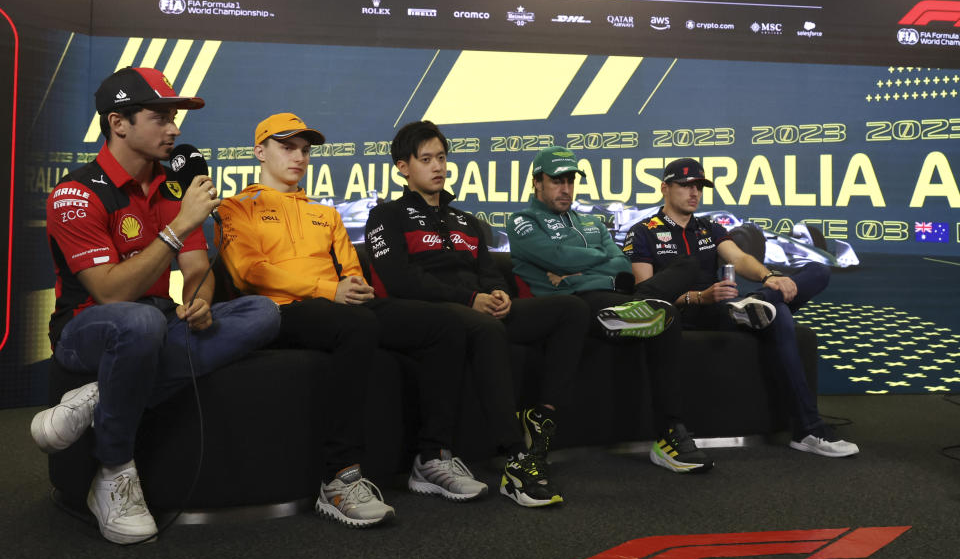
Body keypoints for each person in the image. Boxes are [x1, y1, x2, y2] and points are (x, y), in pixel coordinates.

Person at [31, 67, 281, 545]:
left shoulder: (170, 187)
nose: (174, 129)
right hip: (86, 328)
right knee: (140, 318)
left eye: (175, 117)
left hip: (154, 323)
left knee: (262, 313)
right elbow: (109, 293)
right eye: (160, 117)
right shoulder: (75, 193)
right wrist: (179, 226)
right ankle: (113, 471)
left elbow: (194, 272)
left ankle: (98, 398)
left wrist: (200, 302)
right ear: (118, 123)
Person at [217, 113, 486, 528]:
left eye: (305, 150)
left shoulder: (325, 214)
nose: (299, 157)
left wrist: (353, 287)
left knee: (442, 324)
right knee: (356, 325)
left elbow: (350, 271)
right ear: (259, 152)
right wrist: (331, 291)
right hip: (278, 311)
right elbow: (248, 272)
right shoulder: (237, 207)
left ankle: (432, 457)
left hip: (338, 307)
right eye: (287, 147)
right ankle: (339, 478)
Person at [365, 121, 591, 507]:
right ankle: (515, 459)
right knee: (484, 326)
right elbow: (402, 280)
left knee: (571, 309)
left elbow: (488, 272)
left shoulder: (468, 222)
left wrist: (498, 293)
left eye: (441, 157)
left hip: (477, 308)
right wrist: (471, 299)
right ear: (403, 167)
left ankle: (542, 423)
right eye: (425, 159)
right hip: (429, 314)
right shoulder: (386, 216)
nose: (437, 166)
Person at [623, 157, 859, 457]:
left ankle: (759, 304)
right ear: (665, 188)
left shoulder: (708, 228)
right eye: (685, 186)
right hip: (681, 315)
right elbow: (646, 295)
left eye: (699, 186)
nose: (694, 193)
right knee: (779, 315)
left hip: (720, 311)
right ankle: (808, 429)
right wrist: (699, 297)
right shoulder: (642, 231)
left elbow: (740, 258)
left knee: (817, 273)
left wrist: (770, 277)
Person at [507, 146, 713, 474]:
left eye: (570, 181)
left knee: (676, 295)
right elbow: (559, 257)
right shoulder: (522, 220)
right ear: (537, 183)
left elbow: (622, 264)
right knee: (652, 311)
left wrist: (582, 264)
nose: (566, 189)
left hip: (612, 297)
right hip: (574, 303)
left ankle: (669, 435)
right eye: (557, 181)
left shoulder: (590, 222)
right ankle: (638, 308)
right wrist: (594, 262)